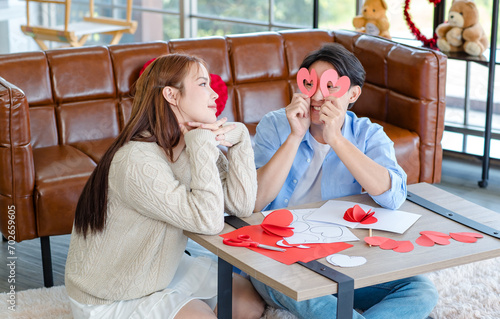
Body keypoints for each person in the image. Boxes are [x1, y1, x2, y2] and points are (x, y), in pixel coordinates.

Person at [65, 53, 265, 319]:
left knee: (248, 302)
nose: (215, 94)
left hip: (160, 268)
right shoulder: (136, 159)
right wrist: (204, 143)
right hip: (111, 294)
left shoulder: (190, 143)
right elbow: (209, 221)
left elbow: (241, 204)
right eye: (203, 84)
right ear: (171, 95)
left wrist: (239, 141)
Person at [250, 43, 438, 318]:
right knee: (309, 298)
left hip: (337, 255)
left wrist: (336, 139)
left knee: (421, 289)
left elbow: (393, 196)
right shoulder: (276, 124)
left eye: (330, 87)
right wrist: (294, 135)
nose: (317, 96)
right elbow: (255, 202)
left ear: (353, 94)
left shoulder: (367, 134)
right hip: (279, 256)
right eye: (310, 84)